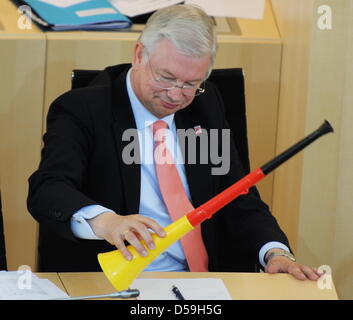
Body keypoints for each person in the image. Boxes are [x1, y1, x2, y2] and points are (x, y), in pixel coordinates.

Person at [27, 4, 321, 281]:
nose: (176, 95)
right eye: (166, 77)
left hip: (202, 283)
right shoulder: (85, 109)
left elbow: (236, 197)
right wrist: (107, 222)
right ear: (139, 54)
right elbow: (49, 188)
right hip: (116, 282)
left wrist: (274, 252)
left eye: (192, 83)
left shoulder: (205, 107)